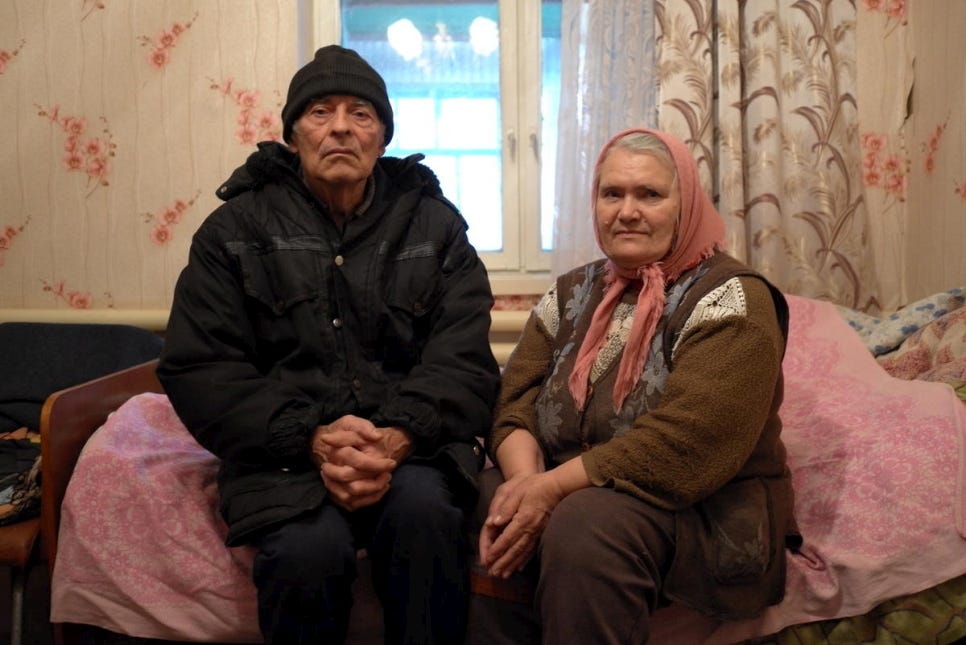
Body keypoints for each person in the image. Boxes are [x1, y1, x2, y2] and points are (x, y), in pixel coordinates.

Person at [157, 44, 501, 644]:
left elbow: (463, 359)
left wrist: (395, 438)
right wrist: (311, 438)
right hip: (281, 455)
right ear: (293, 136)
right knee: (304, 551)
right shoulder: (234, 231)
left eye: (360, 113)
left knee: (426, 518)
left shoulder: (435, 226)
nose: (340, 126)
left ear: (383, 136)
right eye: (320, 111)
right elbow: (201, 366)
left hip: (412, 451)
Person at [477, 127, 800, 644]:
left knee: (586, 526)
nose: (627, 211)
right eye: (613, 194)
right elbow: (514, 399)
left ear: (685, 204)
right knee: (481, 500)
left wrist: (553, 489)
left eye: (649, 194)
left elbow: (691, 442)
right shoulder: (572, 292)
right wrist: (524, 486)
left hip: (699, 506)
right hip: (576, 487)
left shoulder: (733, 297)